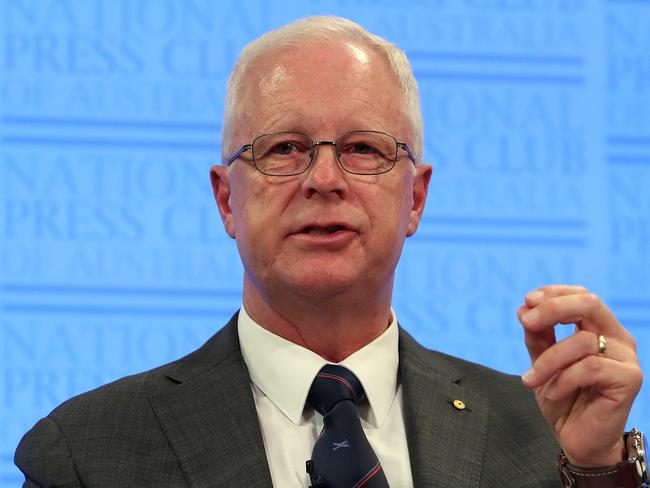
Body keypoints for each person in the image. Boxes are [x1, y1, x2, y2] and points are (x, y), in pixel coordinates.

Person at [15, 16, 645, 488]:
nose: (324, 179)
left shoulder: (541, 437)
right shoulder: (85, 455)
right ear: (226, 200)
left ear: (416, 199)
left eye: (365, 149)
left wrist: (598, 471)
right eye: (284, 147)